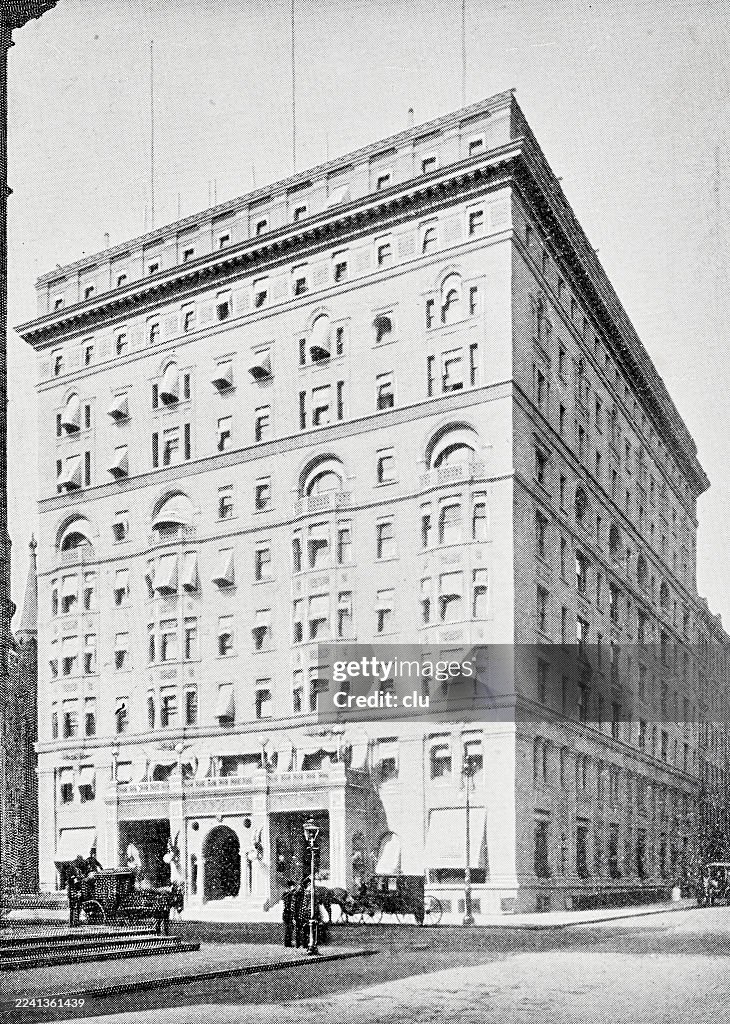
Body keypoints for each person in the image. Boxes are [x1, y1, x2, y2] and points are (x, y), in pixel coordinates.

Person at [67, 855, 86, 928]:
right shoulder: (72, 869)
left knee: (77, 907)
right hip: (73, 890)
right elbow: (72, 880)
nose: (80, 863)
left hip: (76, 890)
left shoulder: (78, 869)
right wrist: (77, 878)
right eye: (80, 861)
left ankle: (75, 921)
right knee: (73, 907)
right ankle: (72, 922)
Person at [282, 879, 296, 947]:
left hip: (287, 912)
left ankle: (288, 942)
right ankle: (287, 943)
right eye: (293, 885)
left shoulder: (287, 892)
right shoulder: (287, 893)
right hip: (288, 913)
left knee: (289, 928)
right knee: (289, 928)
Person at [293, 879, 307, 948]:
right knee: (299, 930)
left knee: (302, 929)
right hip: (298, 913)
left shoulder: (301, 893)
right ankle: (299, 943)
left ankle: (301, 944)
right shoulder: (298, 894)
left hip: (301, 913)